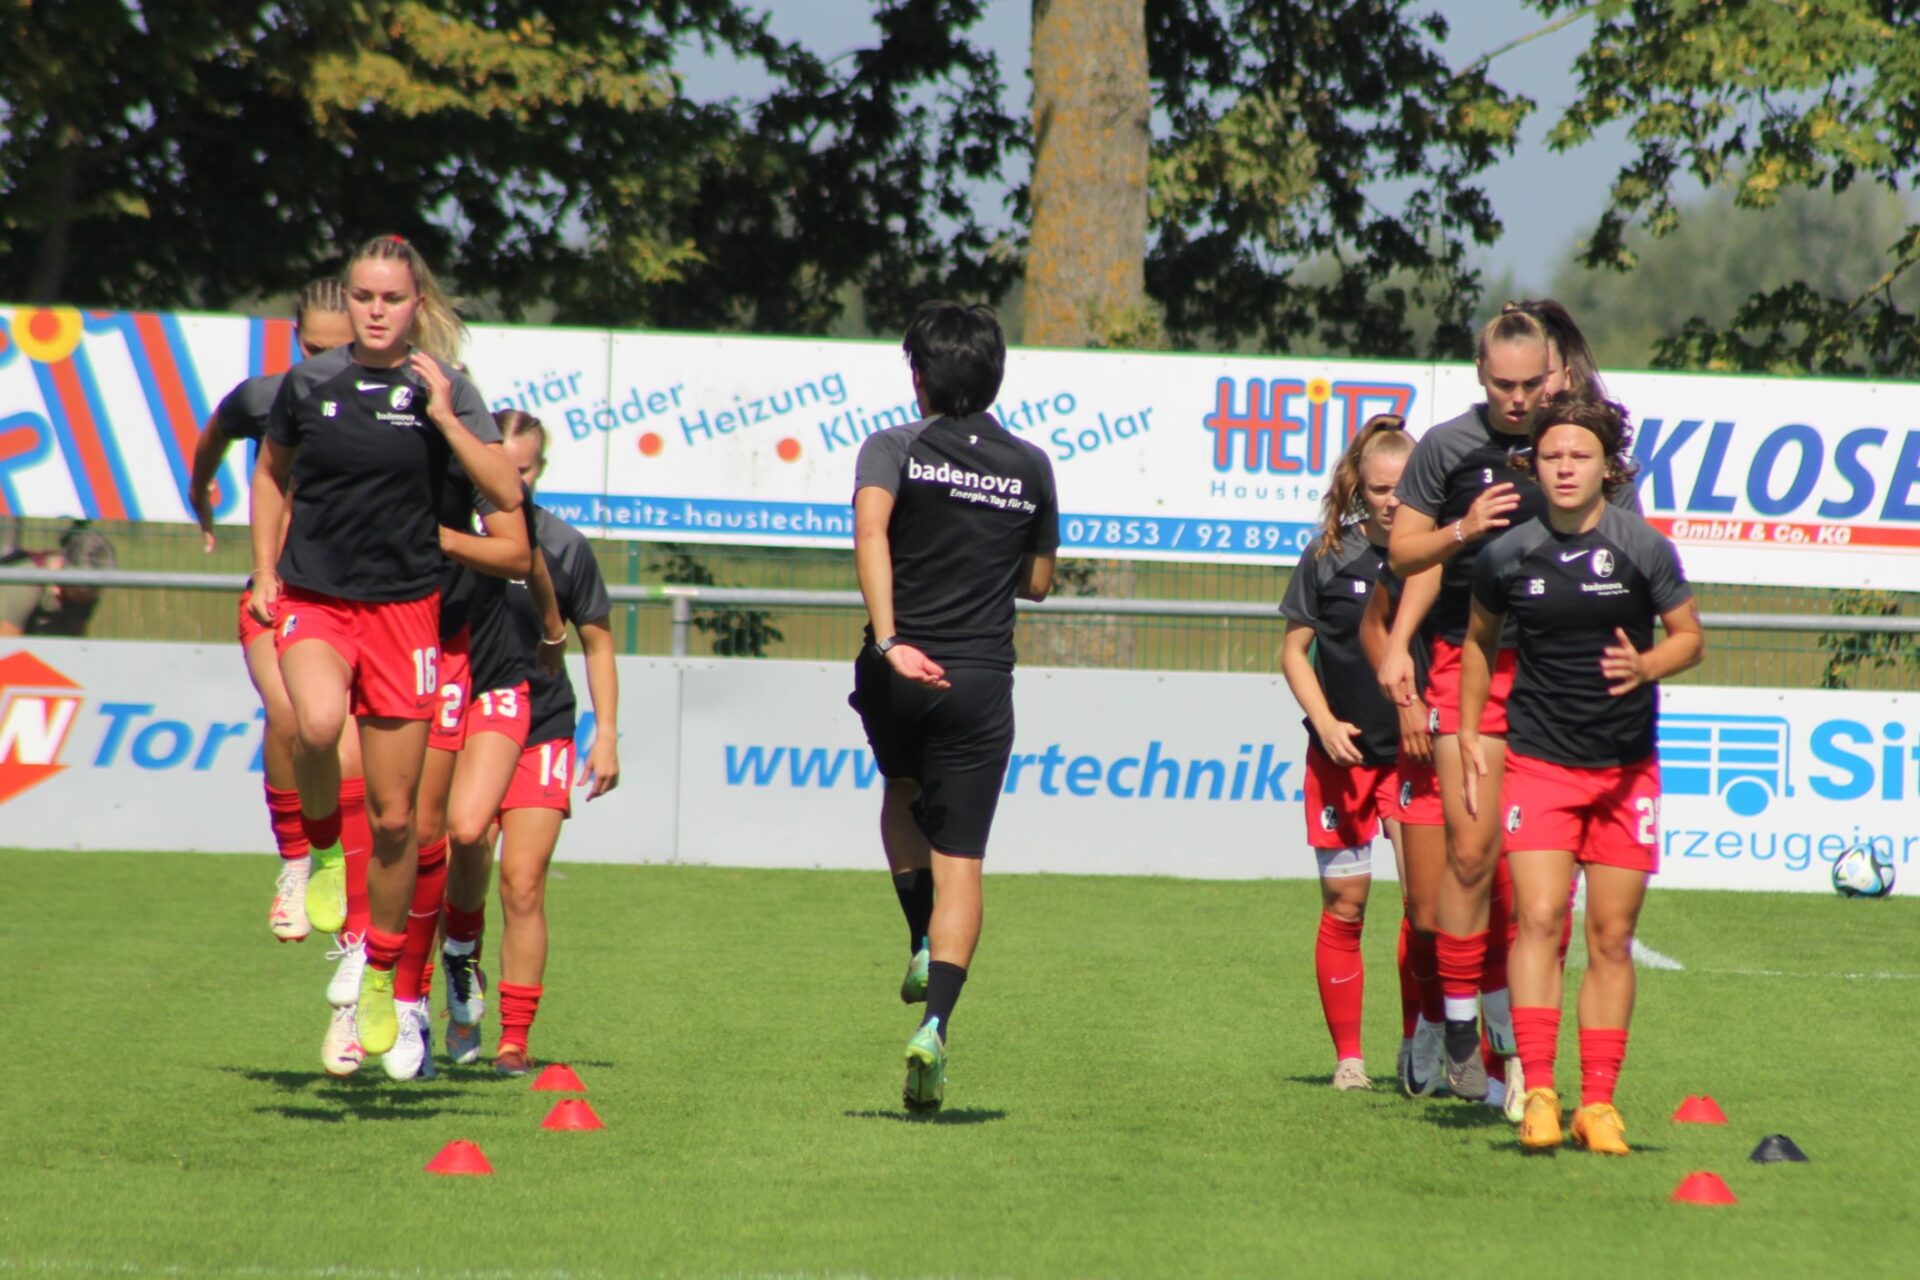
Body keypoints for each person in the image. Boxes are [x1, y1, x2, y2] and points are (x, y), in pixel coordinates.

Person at [249, 234, 525, 1060]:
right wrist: (266, 570)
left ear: (417, 305)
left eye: (391, 298)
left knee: (402, 819)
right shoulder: (308, 383)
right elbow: (270, 473)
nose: (374, 310)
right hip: (316, 601)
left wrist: (444, 415)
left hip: (408, 616)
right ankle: (322, 856)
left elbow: (506, 491)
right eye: (363, 297)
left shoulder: (447, 389)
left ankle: (382, 976)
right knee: (317, 723)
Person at [1378, 300, 1631, 1112]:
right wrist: (1460, 530)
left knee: (1536, 889)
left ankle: (1523, 1060)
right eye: (1503, 384)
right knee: (1470, 854)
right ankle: (1458, 1033)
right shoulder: (1450, 447)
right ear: (1480, 375)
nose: (1518, 399)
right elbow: (1403, 552)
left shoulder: (1570, 441)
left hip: (1558, 669)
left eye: (1532, 383)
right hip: (1468, 661)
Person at [1458, 392, 1701, 1154]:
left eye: (1580, 457)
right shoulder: (1507, 553)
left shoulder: (1644, 548)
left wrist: (1649, 662)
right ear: (1533, 465)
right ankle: (1537, 1093)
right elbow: (1475, 641)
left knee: (1612, 934)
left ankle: (1598, 1104)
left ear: (1607, 466)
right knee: (1538, 920)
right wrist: (1468, 732)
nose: (1565, 469)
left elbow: (1690, 637)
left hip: (1627, 772)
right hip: (1539, 762)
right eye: (1552, 457)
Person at [849, 300, 1058, 1112]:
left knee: (901, 792)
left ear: (919, 377)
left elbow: (871, 536)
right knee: (963, 859)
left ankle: (915, 934)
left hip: (898, 669)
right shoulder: (1031, 464)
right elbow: (1037, 584)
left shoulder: (892, 447)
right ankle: (934, 1026)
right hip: (977, 678)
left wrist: (895, 641)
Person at [475, 410, 621, 1075]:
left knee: (523, 882)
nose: (513, 477)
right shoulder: (452, 536)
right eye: (501, 464)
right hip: (466, 724)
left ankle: (513, 1039)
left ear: (539, 469)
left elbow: (597, 643)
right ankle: (440, 1007)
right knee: (457, 869)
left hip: (541, 729)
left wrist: (607, 733)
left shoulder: (563, 546)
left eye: (524, 469)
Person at [1277, 416, 1418, 1091]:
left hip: (1419, 761)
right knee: (1345, 905)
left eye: (1403, 486)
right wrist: (1325, 719)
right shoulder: (1329, 555)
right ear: (1360, 489)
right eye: (1381, 488)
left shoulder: (1438, 558)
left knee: (1425, 908)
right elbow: (1292, 652)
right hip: (1343, 763)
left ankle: (1419, 1046)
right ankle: (1350, 1060)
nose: (1392, 500)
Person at [0, 521, 116, 637]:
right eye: (81, 588)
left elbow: (76, 646)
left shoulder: (84, 594)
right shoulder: (26, 584)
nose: (87, 596)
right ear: (63, 567)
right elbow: (7, 649)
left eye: (94, 589)